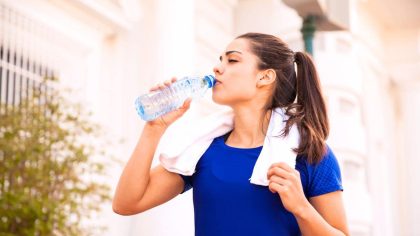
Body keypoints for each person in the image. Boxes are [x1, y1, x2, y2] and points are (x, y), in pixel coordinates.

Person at [113, 32, 349, 235]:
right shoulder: (201, 149)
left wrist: (302, 208)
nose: (217, 68)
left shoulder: (309, 153)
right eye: (220, 60)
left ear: (264, 76)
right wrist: (154, 129)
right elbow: (127, 203)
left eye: (232, 60)